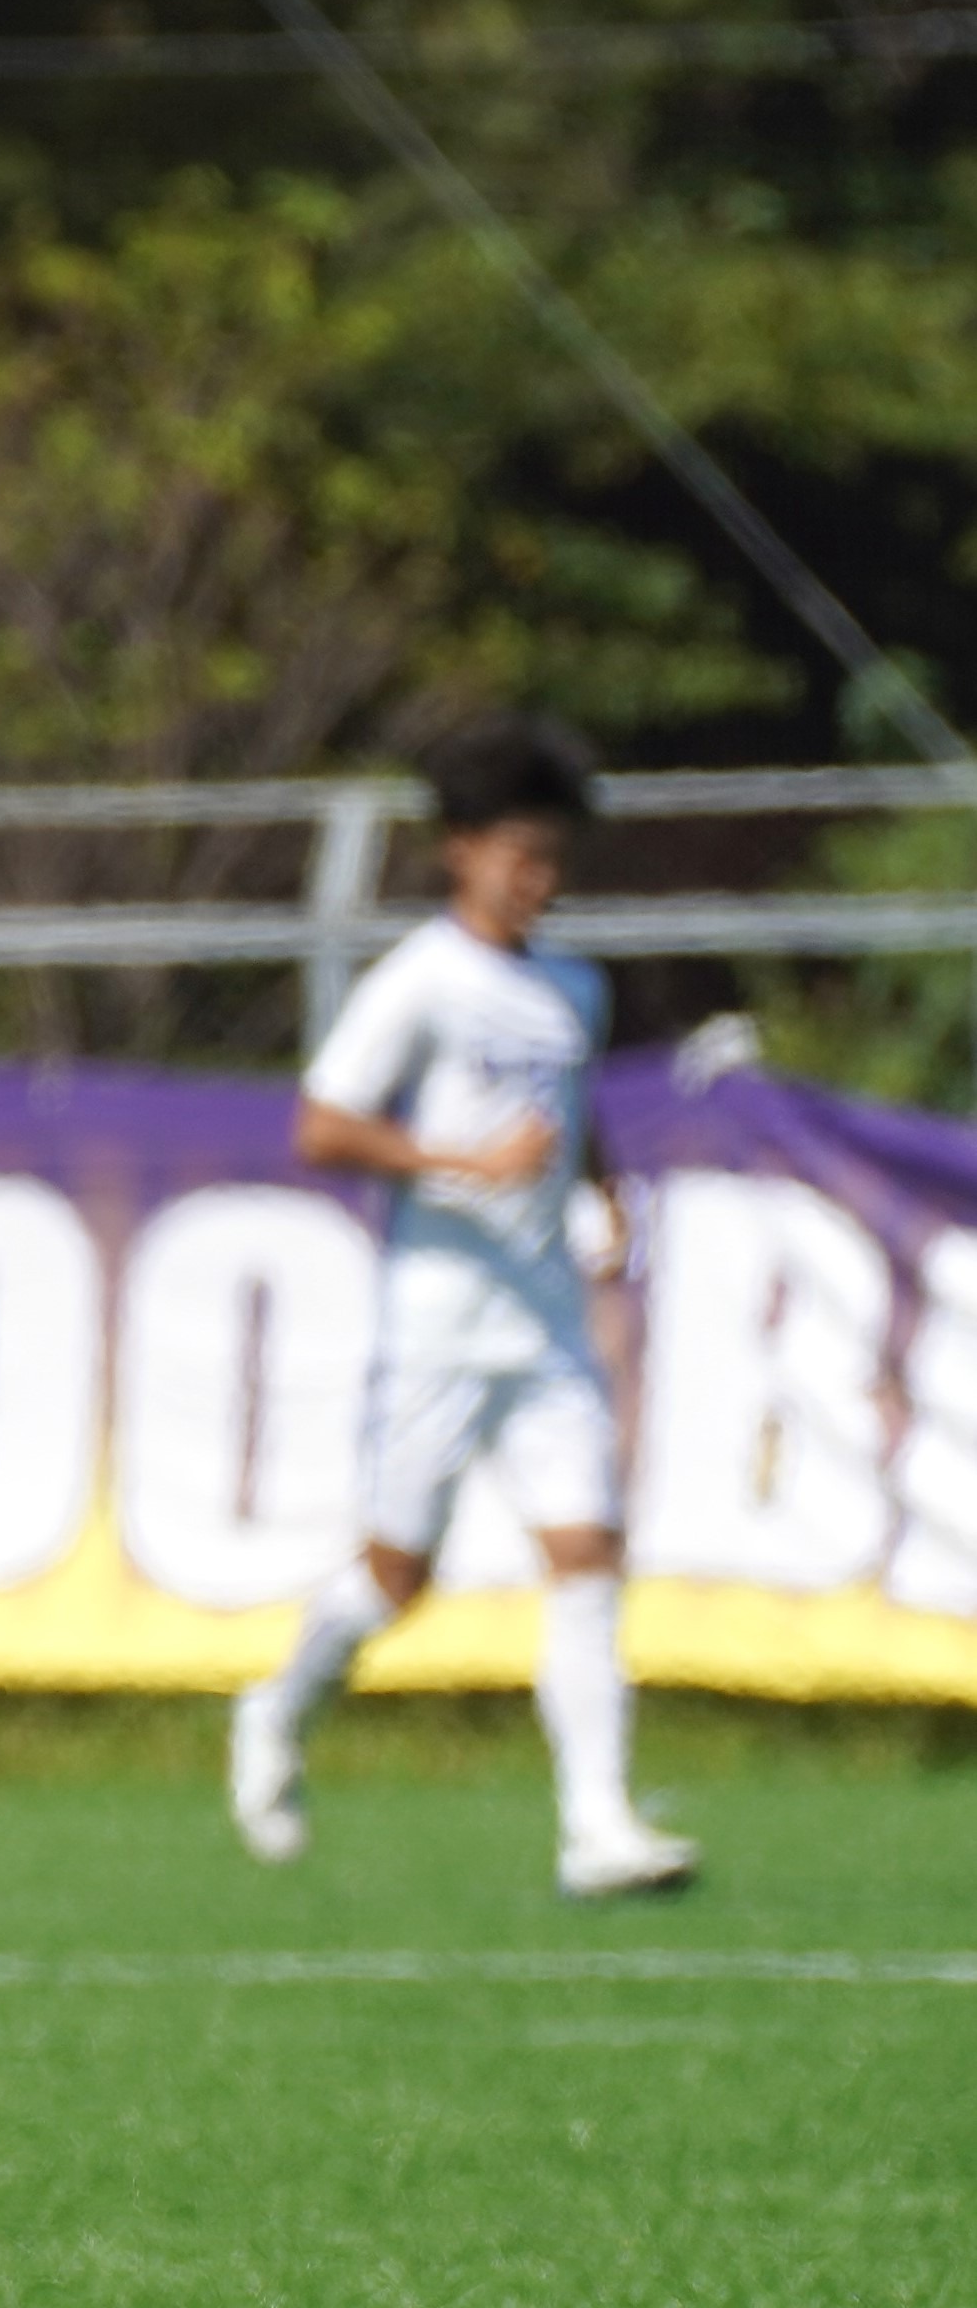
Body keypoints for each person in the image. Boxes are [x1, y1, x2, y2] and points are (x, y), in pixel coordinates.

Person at [232, 715, 697, 1899]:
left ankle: (595, 1828)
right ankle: (276, 1707)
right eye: (515, 854)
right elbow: (320, 1123)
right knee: (395, 1576)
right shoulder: (421, 982)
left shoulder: (571, 987)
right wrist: (456, 1163)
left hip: (542, 1320)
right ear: (461, 852)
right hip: (438, 1317)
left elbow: (570, 1107)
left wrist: (597, 1191)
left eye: (552, 856)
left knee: (586, 1549)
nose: (536, 878)